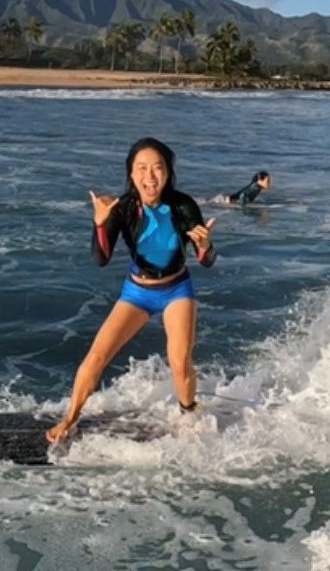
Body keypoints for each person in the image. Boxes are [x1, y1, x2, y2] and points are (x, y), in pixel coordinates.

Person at [46, 137, 217, 443]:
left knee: (179, 362)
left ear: (168, 172)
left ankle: (189, 413)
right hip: (137, 292)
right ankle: (70, 419)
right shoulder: (122, 208)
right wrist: (100, 224)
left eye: (157, 167)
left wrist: (204, 246)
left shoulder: (183, 205)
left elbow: (206, 260)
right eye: (142, 168)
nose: (150, 176)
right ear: (131, 173)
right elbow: (101, 260)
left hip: (177, 289)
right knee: (97, 356)